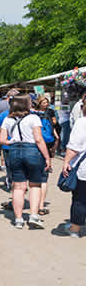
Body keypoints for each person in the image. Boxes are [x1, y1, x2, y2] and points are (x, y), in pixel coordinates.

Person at [0, 94, 51, 229]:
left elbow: (2, 140)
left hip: (15, 151)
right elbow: (39, 139)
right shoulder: (34, 118)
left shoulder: (7, 120)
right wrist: (47, 157)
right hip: (32, 150)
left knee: (18, 187)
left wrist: (13, 141)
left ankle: (18, 219)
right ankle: (34, 216)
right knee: (35, 185)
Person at [58, 101, 86, 237]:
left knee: (80, 199)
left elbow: (74, 146)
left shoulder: (82, 122)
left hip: (84, 168)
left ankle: (75, 229)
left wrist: (66, 162)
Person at [36, 95, 58, 216]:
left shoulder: (32, 115)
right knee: (43, 179)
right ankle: (41, 205)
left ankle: (35, 205)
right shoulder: (48, 113)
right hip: (47, 145)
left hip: (35, 147)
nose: (45, 103)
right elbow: (54, 129)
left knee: (33, 180)